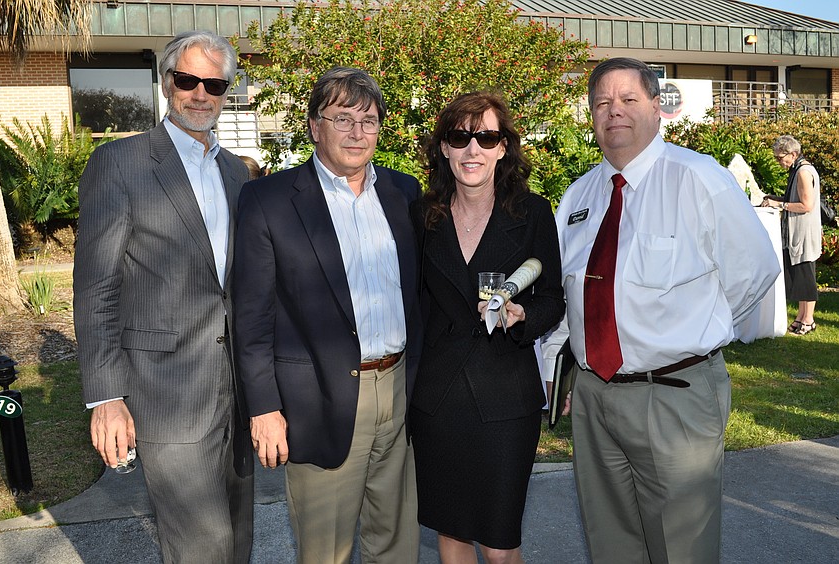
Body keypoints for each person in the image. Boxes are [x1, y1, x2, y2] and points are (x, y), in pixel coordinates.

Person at [555, 57, 780, 564]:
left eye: (629, 100)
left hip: (674, 396)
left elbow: (756, 270)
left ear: (657, 108)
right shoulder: (579, 196)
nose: (614, 112)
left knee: (683, 550)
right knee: (611, 545)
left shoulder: (698, 178)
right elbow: (569, 296)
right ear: (590, 116)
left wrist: (696, 330)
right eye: (602, 103)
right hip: (595, 397)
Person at [74, 30, 254, 563]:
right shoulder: (120, 164)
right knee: (201, 546)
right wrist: (106, 398)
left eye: (214, 84)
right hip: (166, 395)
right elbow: (96, 289)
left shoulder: (236, 172)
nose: (200, 94)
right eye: (187, 80)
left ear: (228, 91)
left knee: (238, 537)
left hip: (237, 391)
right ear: (167, 82)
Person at [231, 66, 423, 563]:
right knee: (326, 552)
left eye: (369, 120)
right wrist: (264, 409)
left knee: (396, 543)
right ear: (315, 126)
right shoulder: (269, 200)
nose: (358, 133)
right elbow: (251, 320)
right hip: (319, 398)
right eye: (343, 119)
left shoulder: (404, 194)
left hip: (398, 390)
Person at [410, 91, 564, 563]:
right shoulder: (421, 215)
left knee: (500, 544)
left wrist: (524, 317)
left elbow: (552, 297)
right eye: (460, 137)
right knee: (451, 534)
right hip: (439, 398)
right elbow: (413, 298)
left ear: (503, 148)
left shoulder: (533, 212)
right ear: (444, 148)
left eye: (487, 137)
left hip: (505, 397)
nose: (472, 149)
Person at [762, 135, 822, 335]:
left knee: (806, 275)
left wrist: (778, 204)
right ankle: (801, 317)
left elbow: (806, 205)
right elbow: (794, 199)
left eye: (781, 157)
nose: (779, 162)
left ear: (793, 154)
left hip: (804, 232)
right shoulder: (797, 169)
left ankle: (808, 319)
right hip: (797, 231)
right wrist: (774, 198)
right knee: (799, 275)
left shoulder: (803, 172)